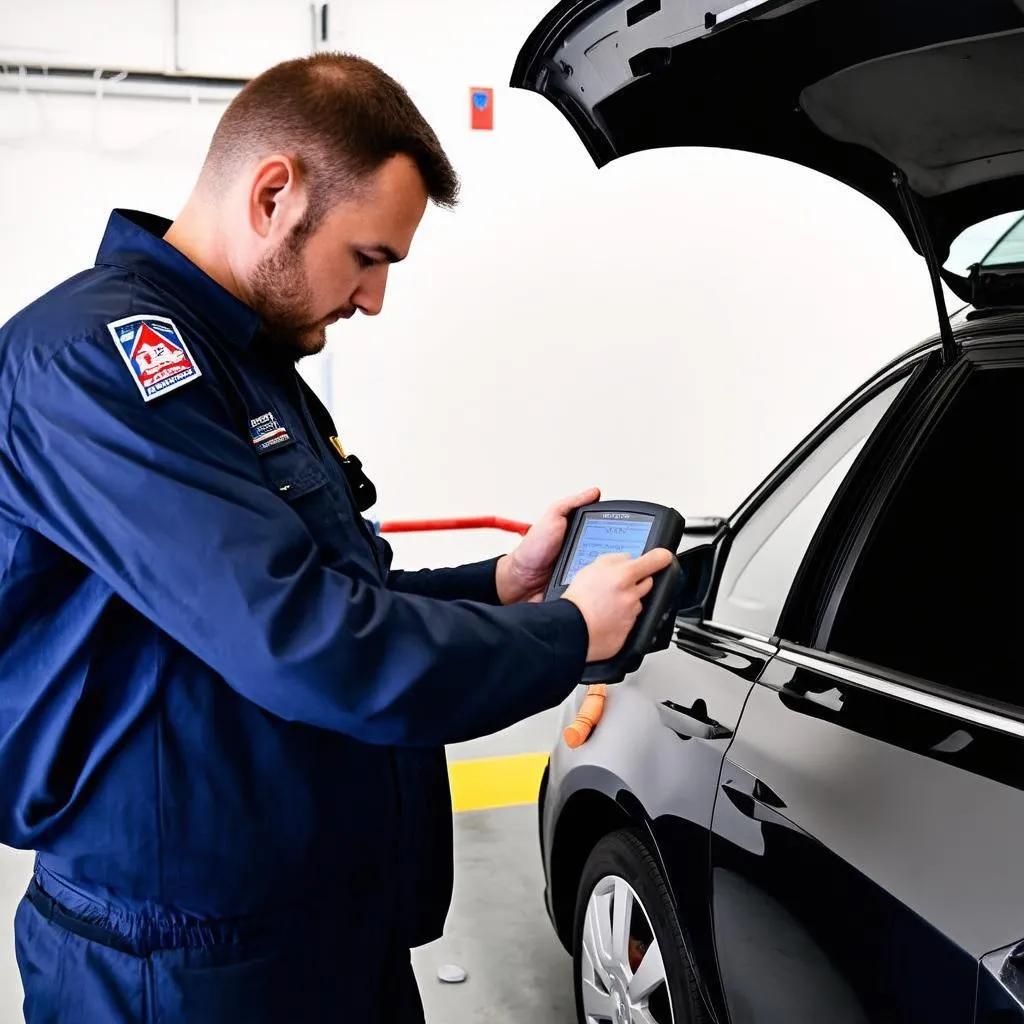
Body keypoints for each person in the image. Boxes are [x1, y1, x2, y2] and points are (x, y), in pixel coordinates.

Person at [0, 52, 673, 1023]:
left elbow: (338, 590)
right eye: (369, 257)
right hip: (178, 964)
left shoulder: (244, 364)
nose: (372, 301)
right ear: (274, 193)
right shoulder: (100, 366)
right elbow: (306, 638)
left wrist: (501, 582)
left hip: (310, 930)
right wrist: (571, 633)